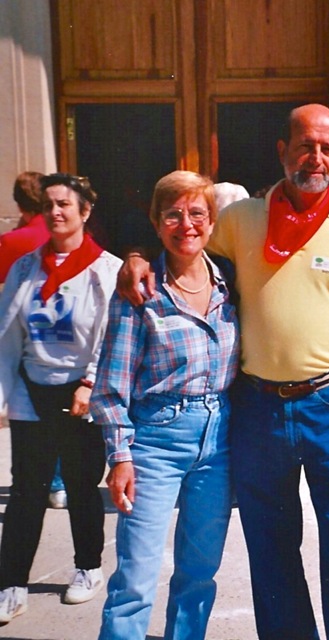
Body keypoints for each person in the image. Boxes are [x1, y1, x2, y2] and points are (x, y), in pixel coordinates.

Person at [119, 104, 329, 639]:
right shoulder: (240, 219)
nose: (315, 158)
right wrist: (136, 256)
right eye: (304, 145)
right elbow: (184, 246)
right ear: (282, 151)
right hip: (259, 406)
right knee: (269, 542)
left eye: (327, 148)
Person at [90, 171, 239, 639]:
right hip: (156, 442)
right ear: (155, 223)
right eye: (172, 215)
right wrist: (120, 456)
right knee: (135, 577)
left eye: (197, 213)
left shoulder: (231, 283)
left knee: (200, 571)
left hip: (218, 442)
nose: (186, 224)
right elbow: (111, 386)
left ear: (212, 221)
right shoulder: (139, 291)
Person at [0, 173, 122, 623]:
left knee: (81, 486)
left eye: (65, 204)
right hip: (32, 390)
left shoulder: (105, 270)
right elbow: (7, 334)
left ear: (84, 211)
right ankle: (11, 583)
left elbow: (111, 335)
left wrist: (91, 383)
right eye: (49, 204)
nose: (55, 212)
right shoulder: (25, 268)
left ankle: (88, 567)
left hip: (80, 396)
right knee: (27, 491)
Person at [0, 171, 68, 509]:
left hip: (28, 336)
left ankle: (34, 484)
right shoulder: (68, 234)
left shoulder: (13, 241)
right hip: (65, 332)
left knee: (29, 415)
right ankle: (58, 483)